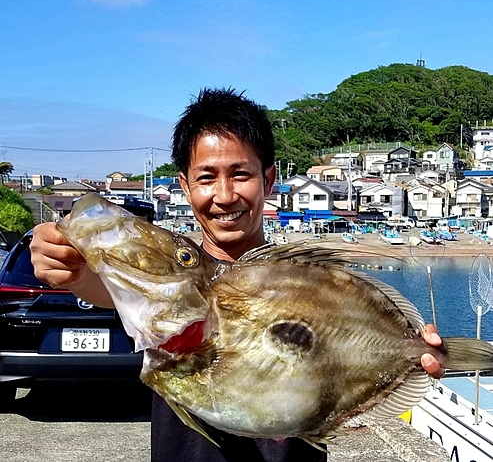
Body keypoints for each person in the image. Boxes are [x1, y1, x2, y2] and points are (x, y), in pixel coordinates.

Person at [30, 87, 444, 462]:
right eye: (206, 177)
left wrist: (408, 352)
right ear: (185, 185)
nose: (224, 195)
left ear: (268, 179)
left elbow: (352, 345)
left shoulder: (298, 276)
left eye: (240, 174)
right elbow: (122, 293)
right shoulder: (177, 289)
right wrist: (71, 272)